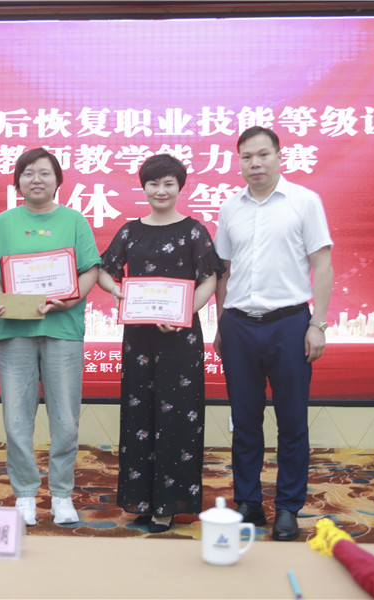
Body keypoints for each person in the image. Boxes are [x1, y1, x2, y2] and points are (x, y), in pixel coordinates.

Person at [213, 126, 333, 541]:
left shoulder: (304, 201)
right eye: (247, 157)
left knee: (292, 422)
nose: (255, 163)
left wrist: (317, 324)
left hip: (289, 324)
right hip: (238, 325)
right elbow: (224, 272)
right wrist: (220, 322)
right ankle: (249, 502)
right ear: (239, 162)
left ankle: (287, 508)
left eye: (263, 154)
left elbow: (322, 264)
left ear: (280, 156)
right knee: (244, 421)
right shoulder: (230, 207)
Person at [97, 154, 224, 533]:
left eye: (169, 183)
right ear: (144, 187)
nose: (161, 190)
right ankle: (141, 499)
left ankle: (168, 504)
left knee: (177, 416)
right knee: (139, 413)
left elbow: (209, 279)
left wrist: (185, 311)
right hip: (139, 338)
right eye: (154, 183)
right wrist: (119, 293)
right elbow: (104, 271)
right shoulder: (130, 231)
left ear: (180, 186)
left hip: (180, 337)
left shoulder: (194, 231)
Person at [0, 148, 100, 526]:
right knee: (17, 419)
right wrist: (0, 298)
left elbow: (90, 271)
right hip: (16, 330)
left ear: (57, 180)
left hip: (62, 329)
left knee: (65, 418)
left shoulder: (74, 220)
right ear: (17, 181)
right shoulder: (4, 222)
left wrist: (70, 301)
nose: (36, 180)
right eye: (28, 173)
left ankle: (62, 494)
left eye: (45, 173)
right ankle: (25, 494)